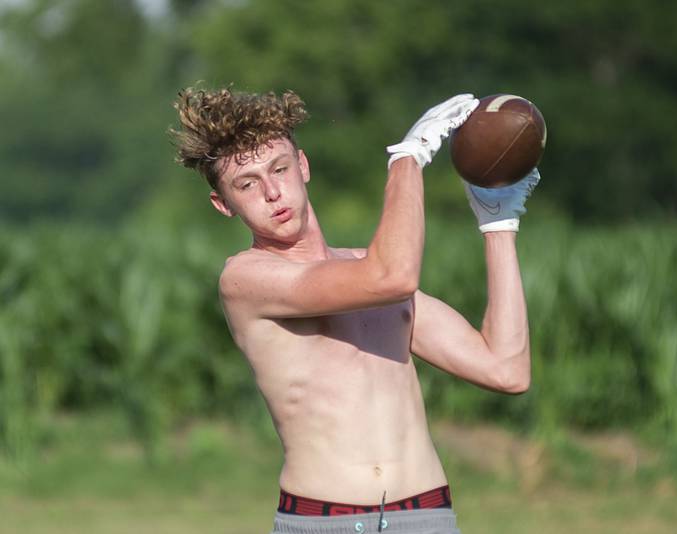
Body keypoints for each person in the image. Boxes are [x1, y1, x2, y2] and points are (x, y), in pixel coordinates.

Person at [171, 88, 539, 534]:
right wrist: (408, 160)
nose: (272, 192)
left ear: (303, 166)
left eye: (279, 169)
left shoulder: (367, 269)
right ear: (223, 204)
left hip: (427, 516)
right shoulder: (246, 279)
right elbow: (392, 277)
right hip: (324, 521)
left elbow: (506, 370)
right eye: (247, 184)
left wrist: (498, 225)